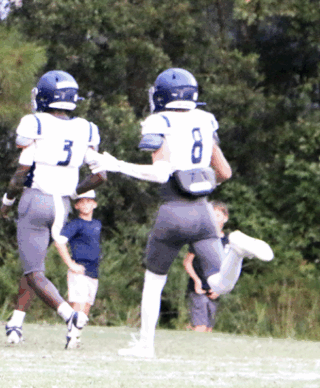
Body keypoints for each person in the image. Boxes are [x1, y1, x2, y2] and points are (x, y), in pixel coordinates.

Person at [89, 68, 232, 358]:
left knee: (154, 281)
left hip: (173, 211)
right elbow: (224, 172)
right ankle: (238, 253)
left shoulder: (159, 120)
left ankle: (146, 346)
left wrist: (117, 165)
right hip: (204, 211)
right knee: (218, 283)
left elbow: (160, 172)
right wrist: (199, 182)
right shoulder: (205, 120)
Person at [0, 70, 107, 349]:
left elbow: (21, 172)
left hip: (36, 200)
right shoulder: (86, 128)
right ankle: (16, 323)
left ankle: (70, 316)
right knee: (33, 267)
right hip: (63, 205)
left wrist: (7, 202)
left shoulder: (34, 123)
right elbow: (100, 176)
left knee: (34, 270)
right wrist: (74, 192)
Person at [184, 200, 274, 332]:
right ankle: (239, 253)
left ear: (225, 218)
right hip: (199, 290)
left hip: (216, 288)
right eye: (211, 215)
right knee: (200, 327)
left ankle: (239, 253)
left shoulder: (226, 240)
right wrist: (196, 281)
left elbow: (226, 268)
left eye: (218, 215)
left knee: (208, 328)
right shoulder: (200, 239)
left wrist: (218, 291)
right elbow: (187, 262)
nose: (214, 218)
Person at [56, 190, 102, 319]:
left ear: (94, 204)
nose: (85, 205)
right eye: (81, 202)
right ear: (76, 206)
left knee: (86, 309)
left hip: (93, 271)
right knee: (79, 309)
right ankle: (72, 335)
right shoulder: (75, 224)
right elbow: (59, 242)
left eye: (88, 201)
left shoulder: (97, 224)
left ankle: (76, 336)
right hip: (79, 270)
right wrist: (71, 264)